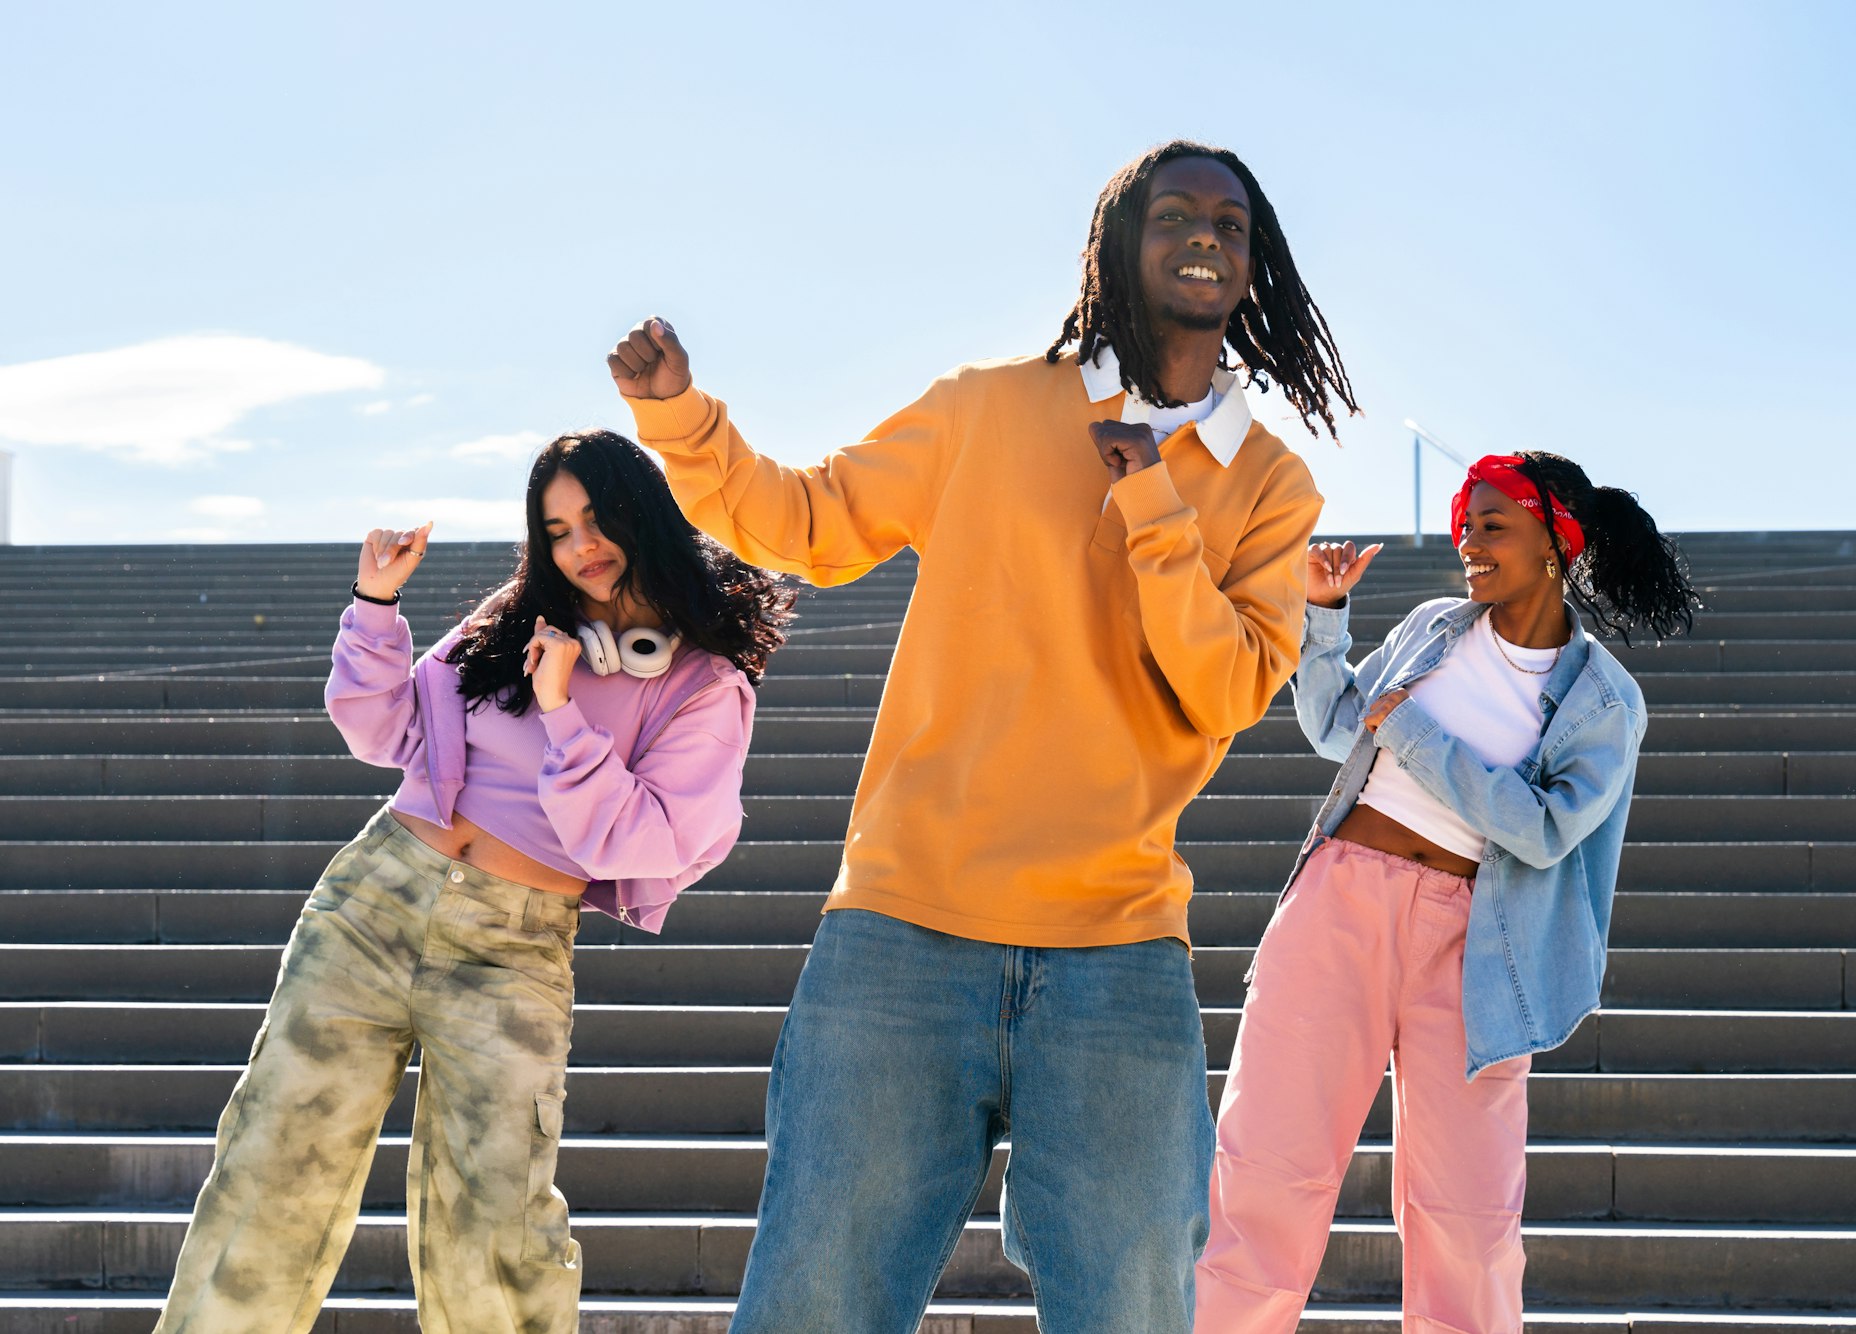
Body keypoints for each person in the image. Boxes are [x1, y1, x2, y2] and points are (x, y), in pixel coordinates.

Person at [604, 140, 1360, 1333]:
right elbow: (810, 521)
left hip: (1118, 952)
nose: (1204, 237)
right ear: (1118, 242)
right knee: (813, 1305)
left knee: (1133, 1316)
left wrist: (1151, 504)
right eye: (1173, 215)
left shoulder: (1270, 483)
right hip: (902, 928)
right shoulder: (985, 406)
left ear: (1252, 263)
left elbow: (1224, 689)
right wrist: (680, 421)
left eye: (1229, 223)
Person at [152, 430, 792, 1334]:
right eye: (557, 530)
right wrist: (376, 605)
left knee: (493, 1229)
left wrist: (563, 710)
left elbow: (648, 837)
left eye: (597, 519)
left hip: (512, 946)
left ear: (645, 513)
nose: (581, 546)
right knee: (267, 1175)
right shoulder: (516, 617)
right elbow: (385, 733)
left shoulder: (702, 684)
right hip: (374, 902)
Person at [1194, 452, 1700, 1333]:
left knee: (1469, 1220)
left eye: (1492, 526)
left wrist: (1419, 737)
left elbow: (1543, 827)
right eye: (1465, 525)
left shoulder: (1604, 702)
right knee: (1266, 1177)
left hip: (1482, 949)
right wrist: (1325, 617)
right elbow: (1340, 726)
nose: (1469, 542)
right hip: (1340, 905)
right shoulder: (1435, 627)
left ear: (1556, 542)